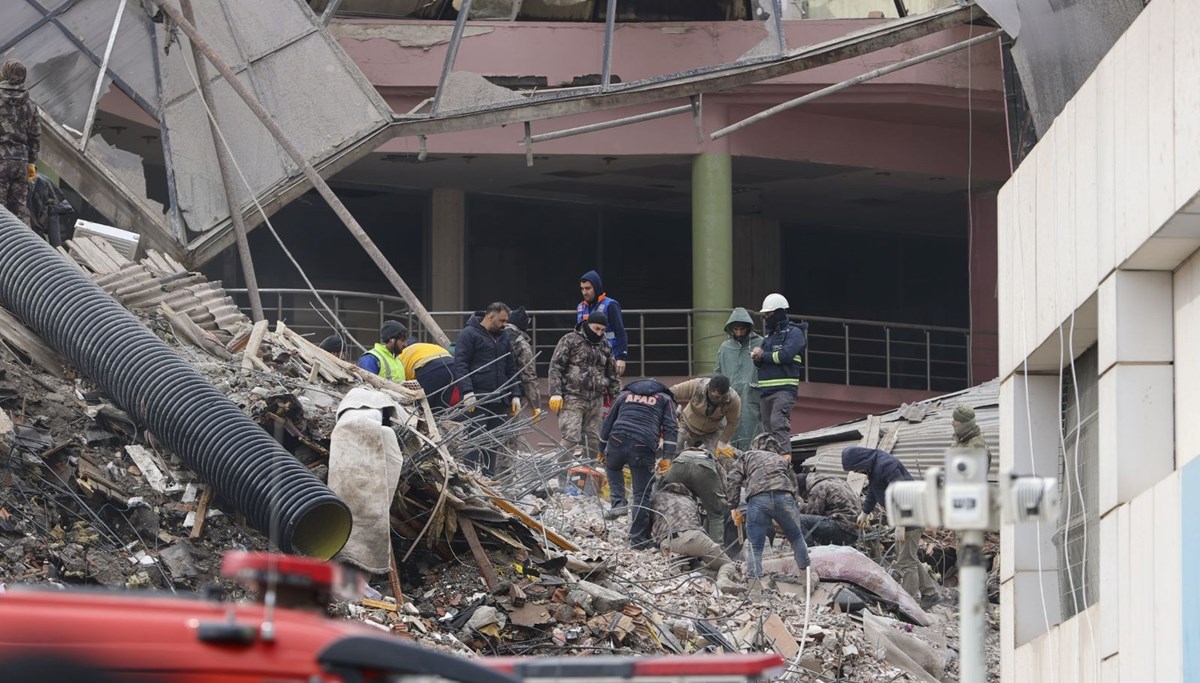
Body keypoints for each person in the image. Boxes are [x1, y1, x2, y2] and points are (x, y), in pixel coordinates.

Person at [842, 445, 941, 605]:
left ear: (860, 460)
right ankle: (930, 593)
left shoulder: (886, 465)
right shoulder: (873, 468)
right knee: (908, 557)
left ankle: (906, 603)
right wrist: (865, 512)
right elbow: (874, 491)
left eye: (856, 468)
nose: (857, 472)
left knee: (905, 562)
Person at [725, 433, 811, 599]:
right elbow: (794, 488)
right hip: (784, 497)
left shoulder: (747, 456)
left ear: (755, 445)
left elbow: (733, 478)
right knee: (796, 537)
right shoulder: (781, 460)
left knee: (755, 547)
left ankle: (754, 589)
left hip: (758, 499)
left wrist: (733, 506)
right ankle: (807, 581)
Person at [599, 378, 678, 549]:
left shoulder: (624, 395)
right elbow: (671, 428)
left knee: (612, 467)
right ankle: (637, 539)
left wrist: (601, 448)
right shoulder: (665, 400)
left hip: (616, 439)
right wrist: (668, 457)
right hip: (643, 445)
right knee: (642, 494)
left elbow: (607, 422)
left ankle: (618, 503)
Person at [454, 302, 522, 475]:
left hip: (500, 399)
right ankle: (468, 477)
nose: (505, 324)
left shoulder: (503, 337)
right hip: (479, 397)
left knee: (493, 442)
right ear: (490, 317)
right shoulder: (468, 335)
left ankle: (488, 478)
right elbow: (461, 365)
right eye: (502, 320)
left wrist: (515, 394)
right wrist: (468, 392)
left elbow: (510, 367)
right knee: (474, 440)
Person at [548, 312, 620, 463]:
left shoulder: (605, 345)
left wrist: (617, 400)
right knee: (571, 437)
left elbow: (613, 374)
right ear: (588, 324)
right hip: (572, 396)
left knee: (593, 440)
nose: (599, 333)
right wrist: (555, 392)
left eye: (602, 330)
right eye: (596, 329)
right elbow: (556, 367)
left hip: (596, 399)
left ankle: (588, 476)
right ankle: (560, 473)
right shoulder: (570, 340)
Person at [650, 482, 744, 594]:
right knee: (726, 563)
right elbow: (698, 524)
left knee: (693, 555)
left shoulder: (655, 498)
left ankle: (697, 570)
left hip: (666, 543)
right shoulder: (689, 500)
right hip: (692, 537)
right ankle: (723, 580)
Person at [753, 293, 807, 449]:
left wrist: (763, 355)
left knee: (778, 424)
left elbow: (785, 356)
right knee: (768, 431)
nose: (766, 318)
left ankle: (784, 458)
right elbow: (763, 361)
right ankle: (772, 460)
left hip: (784, 391)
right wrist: (757, 359)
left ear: (779, 312)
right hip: (765, 392)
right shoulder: (768, 337)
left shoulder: (794, 333)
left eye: (768, 314)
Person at [660, 439, 728, 547]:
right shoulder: (713, 458)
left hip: (680, 464)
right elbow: (724, 486)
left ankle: (661, 540)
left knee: (666, 501)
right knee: (716, 513)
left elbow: (661, 484)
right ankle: (716, 552)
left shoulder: (682, 452)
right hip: (704, 466)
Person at [715, 307, 763, 450]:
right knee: (730, 431)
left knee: (754, 432)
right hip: (730, 397)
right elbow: (718, 373)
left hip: (753, 396)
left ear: (749, 328)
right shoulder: (724, 348)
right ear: (731, 329)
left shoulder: (760, 343)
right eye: (736, 329)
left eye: (742, 329)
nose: (739, 333)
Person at [0, 59, 38, 227]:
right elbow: (35, 136)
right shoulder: (30, 104)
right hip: (21, 164)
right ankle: (25, 248)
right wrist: (31, 163)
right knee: (20, 211)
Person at [669, 374, 741, 455]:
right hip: (687, 426)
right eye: (717, 397)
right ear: (709, 389)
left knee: (723, 457)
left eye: (723, 397)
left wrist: (723, 442)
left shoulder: (733, 399)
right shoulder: (697, 385)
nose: (720, 399)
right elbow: (671, 392)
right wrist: (670, 414)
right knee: (671, 451)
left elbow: (732, 422)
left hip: (712, 431)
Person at [576, 270, 628, 375]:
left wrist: (621, 357)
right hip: (587, 359)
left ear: (596, 287)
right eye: (582, 289)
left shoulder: (610, 305)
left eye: (588, 288)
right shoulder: (581, 307)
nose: (584, 292)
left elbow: (620, 331)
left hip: (608, 357)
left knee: (609, 389)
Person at [796, 471, 859, 546]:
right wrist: (801, 507)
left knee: (799, 520)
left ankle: (810, 549)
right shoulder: (835, 481)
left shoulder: (818, 488)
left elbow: (813, 514)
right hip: (853, 529)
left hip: (843, 529)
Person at [399, 341, 461, 411]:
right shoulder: (423, 347)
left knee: (422, 406)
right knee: (441, 407)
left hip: (429, 368)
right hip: (452, 366)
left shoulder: (400, 356)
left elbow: (405, 382)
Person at [504, 306, 540, 417]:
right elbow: (528, 375)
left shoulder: (493, 334)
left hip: (487, 393)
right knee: (510, 432)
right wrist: (536, 405)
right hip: (511, 395)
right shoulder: (521, 343)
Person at [950, 405, 993, 472]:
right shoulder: (959, 442)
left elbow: (974, 478)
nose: (952, 423)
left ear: (965, 424)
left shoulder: (977, 447)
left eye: (956, 420)